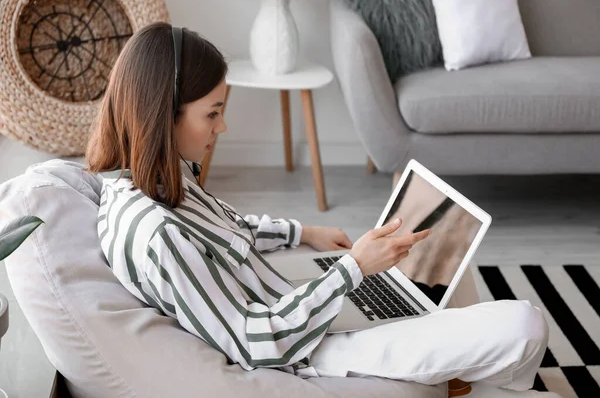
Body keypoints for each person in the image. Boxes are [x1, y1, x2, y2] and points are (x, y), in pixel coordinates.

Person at [85, 22, 549, 393]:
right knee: (525, 323)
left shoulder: (156, 180)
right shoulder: (157, 234)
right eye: (212, 112)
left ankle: (457, 371)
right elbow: (255, 342)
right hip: (312, 346)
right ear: (164, 113)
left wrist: (302, 232)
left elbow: (226, 231)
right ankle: (472, 379)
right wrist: (351, 271)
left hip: (298, 300)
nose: (222, 126)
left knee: (444, 262)